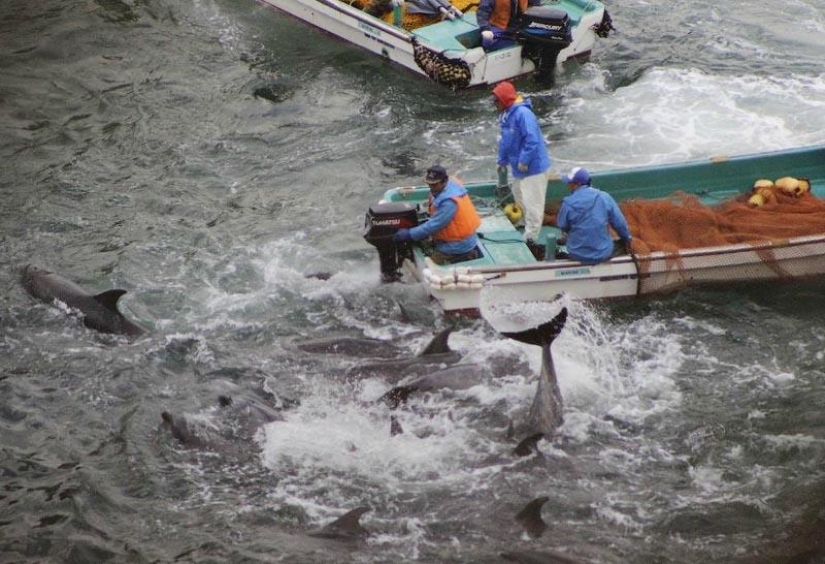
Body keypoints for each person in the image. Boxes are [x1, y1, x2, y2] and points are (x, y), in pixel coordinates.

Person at [492, 80, 550, 256]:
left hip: (533, 167)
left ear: (505, 100)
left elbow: (531, 140)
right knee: (519, 194)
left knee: (534, 202)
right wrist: (501, 161)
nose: (495, 104)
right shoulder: (507, 115)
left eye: (497, 100)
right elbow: (505, 140)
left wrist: (524, 160)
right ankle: (522, 222)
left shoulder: (523, 114)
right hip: (519, 168)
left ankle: (531, 236)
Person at [392, 165, 482, 265]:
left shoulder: (449, 202)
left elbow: (434, 225)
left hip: (457, 246)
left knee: (429, 266)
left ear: (444, 181)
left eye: (434, 185)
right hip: (456, 239)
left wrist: (409, 234)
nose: (431, 187)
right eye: (429, 184)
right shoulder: (448, 185)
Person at [556, 166, 633, 264]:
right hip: (603, 253)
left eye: (571, 183)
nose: (568, 185)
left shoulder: (567, 203)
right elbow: (620, 224)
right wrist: (627, 239)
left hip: (577, 254)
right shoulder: (604, 197)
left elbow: (563, 226)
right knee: (622, 244)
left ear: (578, 184)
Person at [477, 0, 542, 51]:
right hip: (498, 27)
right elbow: (483, 11)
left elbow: (535, 7)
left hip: (521, 27)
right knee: (488, 41)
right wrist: (485, 28)